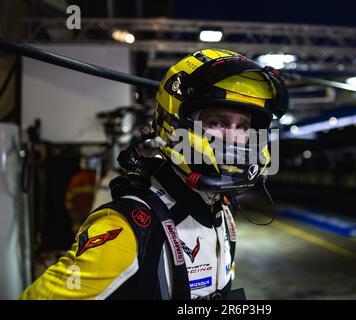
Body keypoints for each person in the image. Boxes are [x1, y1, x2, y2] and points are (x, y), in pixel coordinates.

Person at [20, 49, 288, 300]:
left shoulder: (220, 211)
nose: (234, 138)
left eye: (243, 126)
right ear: (174, 124)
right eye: (217, 122)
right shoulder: (129, 228)